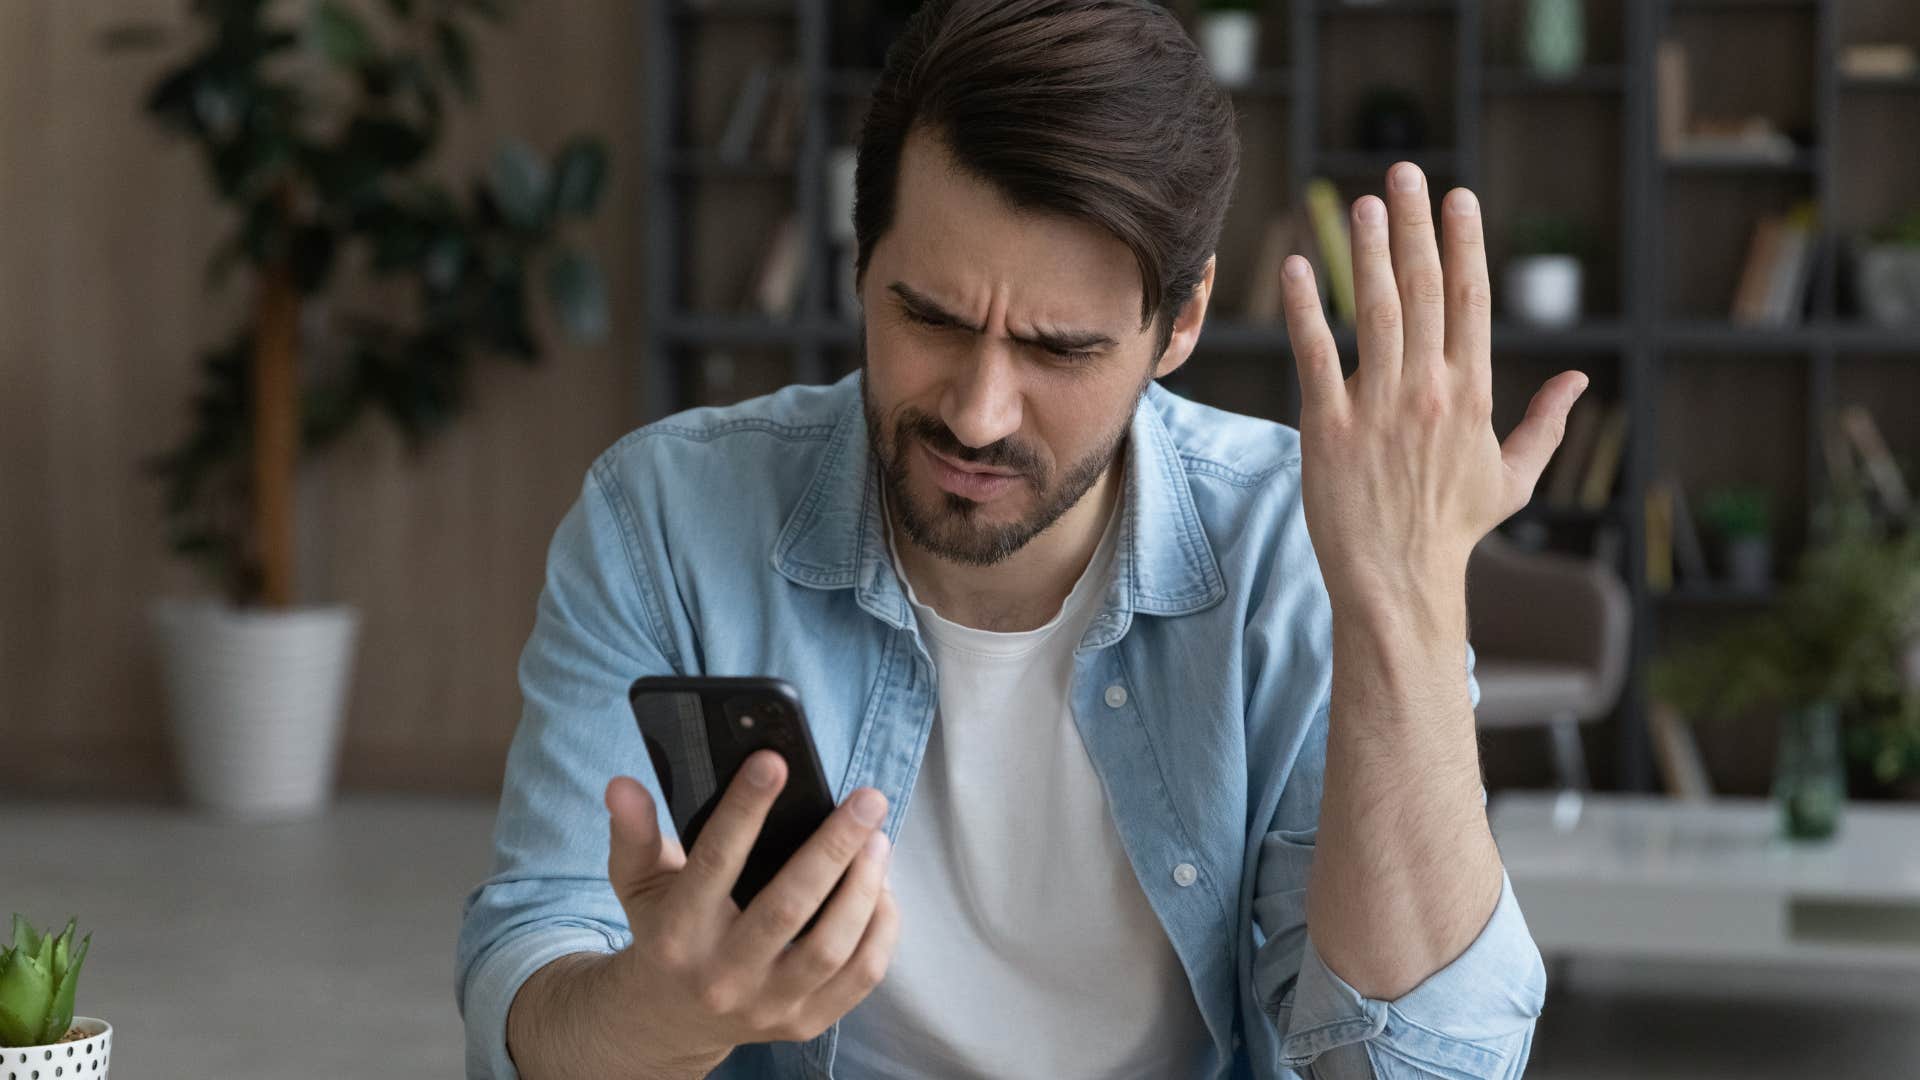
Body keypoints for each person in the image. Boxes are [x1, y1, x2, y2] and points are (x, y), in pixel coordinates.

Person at [457, 1, 1579, 1076]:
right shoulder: (665, 515)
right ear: (860, 265)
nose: (979, 412)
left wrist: (1408, 599)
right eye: (930, 318)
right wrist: (654, 1020)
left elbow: (1409, 1071)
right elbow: (533, 978)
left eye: (1061, 349)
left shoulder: (1296, 547)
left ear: (1179, 323)